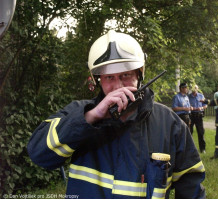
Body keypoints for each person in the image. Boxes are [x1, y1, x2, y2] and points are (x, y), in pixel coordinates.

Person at [27, 30, 205, 199]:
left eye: (126, 75)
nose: (118, 86)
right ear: (98, 80)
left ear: (139, 74)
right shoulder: (80, 113)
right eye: (109, 77)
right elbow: (39, 155)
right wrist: (91, 117)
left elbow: (191, 185)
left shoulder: (170, 124)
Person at [188, 85, 207, 153]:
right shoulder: (188, 97)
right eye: (193, 88)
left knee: (201, 132)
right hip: (191, 115)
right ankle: (190, 149)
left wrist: (201, 108)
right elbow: (186, 105)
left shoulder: (201, 96)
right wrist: (190, 107)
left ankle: (202, 149)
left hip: (199, 115)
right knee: (190, 132)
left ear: (198, 89)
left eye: (196, 88)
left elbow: (205, 105)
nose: (194, 89)